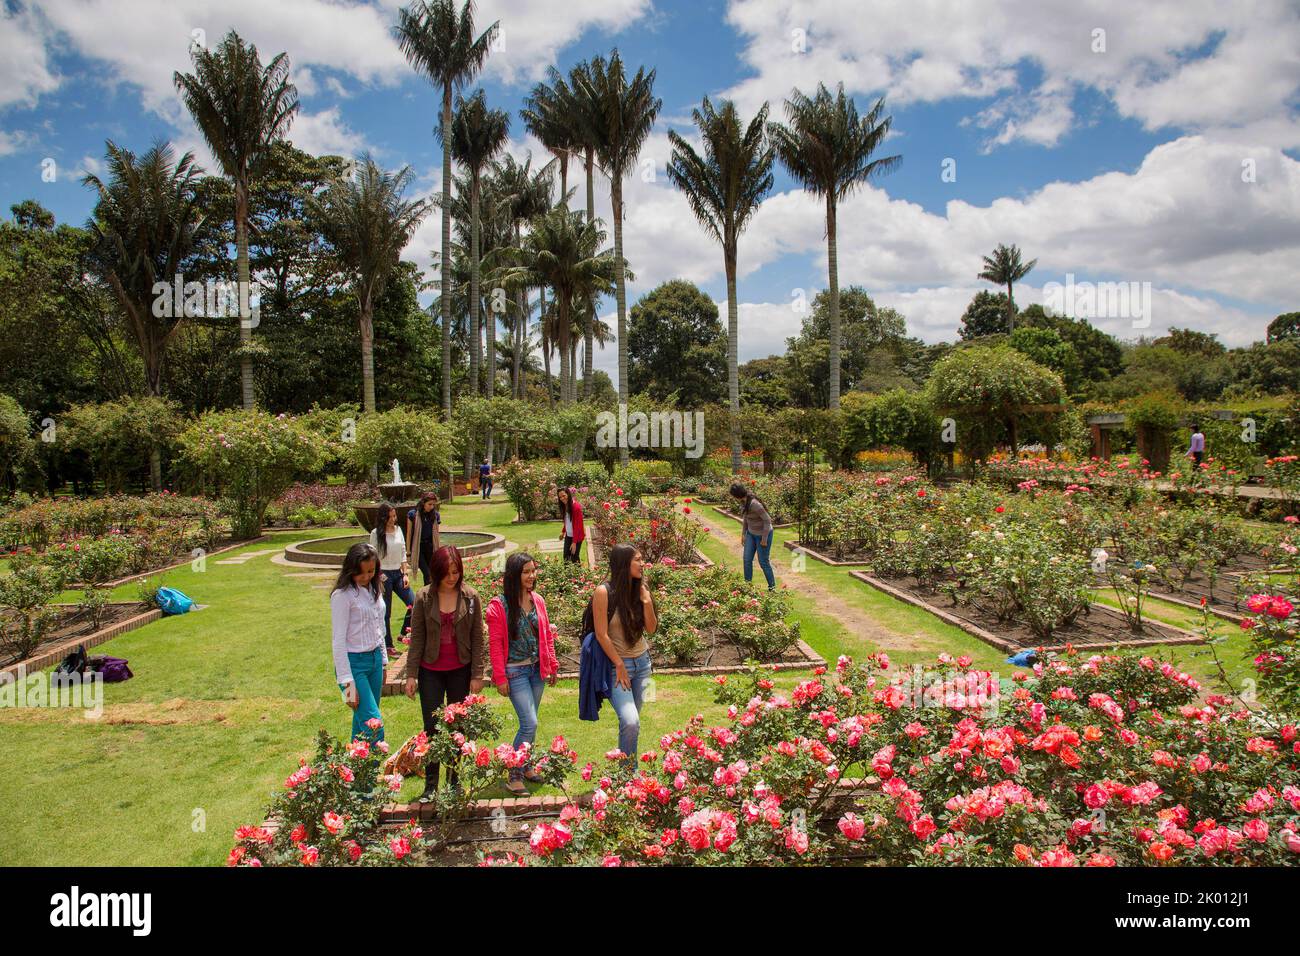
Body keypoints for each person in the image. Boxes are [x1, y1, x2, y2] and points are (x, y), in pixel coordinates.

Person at [403, 545, 486, 803]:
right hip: (431, 672)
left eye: (456, 572)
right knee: (432, 728)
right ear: (437, 572)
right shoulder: (424, 597)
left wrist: (477, 674)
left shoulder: (470, 597)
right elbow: (416, 637)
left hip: (460, 671)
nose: (453, 577)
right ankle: (430, 786)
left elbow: (476, 638)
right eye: (448, 573)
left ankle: (454, 781)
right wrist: (411, 674)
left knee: (456, 728)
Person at [487, 552, 558, 795]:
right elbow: (495, 645)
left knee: (531, 721)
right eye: (526, 571)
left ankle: (527, 765)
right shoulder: (499, 605)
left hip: (536, 670)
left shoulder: (537, 599)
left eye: (533, 570)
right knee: (529, 722)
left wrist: (553, 664)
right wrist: (500, 677)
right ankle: (514, 774)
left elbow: (546, 634)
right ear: (514, 575)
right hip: (515, 671)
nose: (532, 575)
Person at [589, 544, 657, 765]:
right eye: (636, 560)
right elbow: (601, 634)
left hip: (643, 664)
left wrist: (646, 601)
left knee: (632, 723)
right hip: (617, 666)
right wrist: (619, 664)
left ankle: (624, 772)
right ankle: (629, 774)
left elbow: (652, 628)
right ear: (623, 564)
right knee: (630, 721)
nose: (642, 564)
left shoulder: (641, 589)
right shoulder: (603, 592)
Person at [330, 542, 388, 744]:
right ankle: (371, 773)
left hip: (374, 662)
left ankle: (355, 773)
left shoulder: (373, 590)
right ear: (350, 569)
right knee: (374, 724)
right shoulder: (342, 596)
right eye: (361, 573)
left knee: (361, 723)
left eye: (371, 571)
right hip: (352, 668)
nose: (366, 577)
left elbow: (379, 627)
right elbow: (338, 641)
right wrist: (347, 684)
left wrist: (383, 661)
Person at [369, 503, 414, 652]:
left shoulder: (398, 529)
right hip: (384, 574)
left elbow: (402, 551)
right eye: (390, 517)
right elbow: (373, 557)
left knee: (414, 603)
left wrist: (405, 573)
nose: (393, 519)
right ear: (383, 517)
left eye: (394, 516)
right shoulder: (376, 533)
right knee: (385, 612)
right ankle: (388, 646)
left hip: (399, 573)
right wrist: (379, 576)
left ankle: (403, 633)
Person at [730, 482, 776, 591]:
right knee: (747, 559)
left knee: (763, 562)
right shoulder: (743, 502)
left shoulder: (755, 504)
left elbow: (767, 520)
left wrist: (764, 539)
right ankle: (747, 586)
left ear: (737, 495)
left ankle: (772, 588)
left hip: (763, 535)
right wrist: (743, 534)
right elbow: (746, 518)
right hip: (751, 534)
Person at [406, 492, 441, 587]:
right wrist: (408, 552)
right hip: (418, 548)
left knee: (431, 574)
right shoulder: (412, 514)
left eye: (433, 504)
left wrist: (438, 551)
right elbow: (409, 535)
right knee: (427, 573)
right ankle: (427, 595)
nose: (432, 507)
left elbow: (436, 535)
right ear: (423, 503)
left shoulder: (435, 515)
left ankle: (428, 596)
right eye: (429, 504)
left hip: (430, 547)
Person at [557, 487, 586, 564]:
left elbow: (578, 526)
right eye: (560, 497)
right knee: (566, 558)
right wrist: (563, 531)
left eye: (564, 495)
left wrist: (574, 542)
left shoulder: (576, 507)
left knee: (574, 558)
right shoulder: (565, 506)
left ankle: (579, 576)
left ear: (568, 494)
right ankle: (568, 576)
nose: (562, 498)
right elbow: (567, 522)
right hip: (569, 536)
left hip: (577, 537)